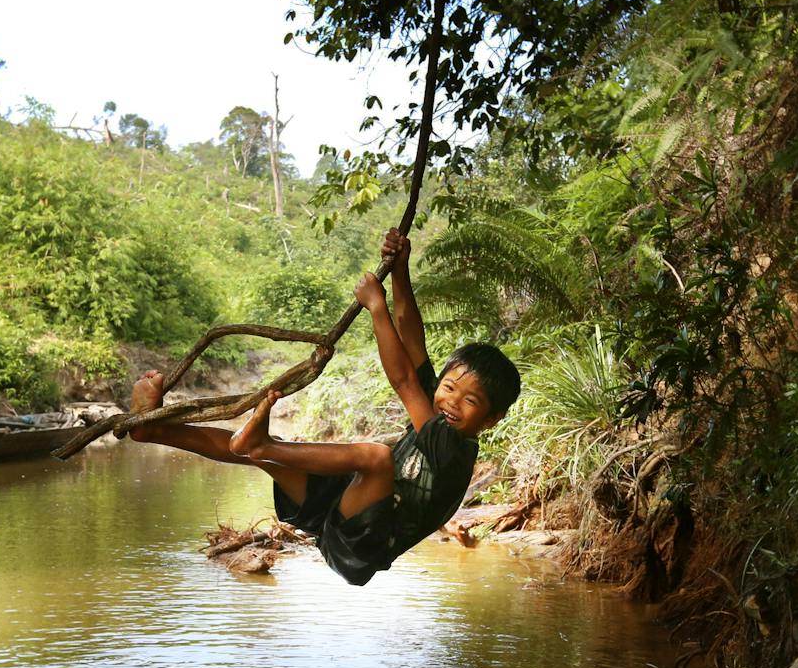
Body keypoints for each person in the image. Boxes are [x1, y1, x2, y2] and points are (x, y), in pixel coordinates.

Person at [129, 228, 521, 585]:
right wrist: (400, 270)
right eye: (448, 387)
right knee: (262, 455)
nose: (451, 400)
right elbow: (412, 339)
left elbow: (402, 380)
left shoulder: (449, 446)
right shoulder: (438, 411)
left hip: (362, 548)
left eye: (469, 401)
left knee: (374, 457)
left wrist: (376, 307)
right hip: (339, 514)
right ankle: (152, 430)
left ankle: (262, 445)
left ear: (490, 419)